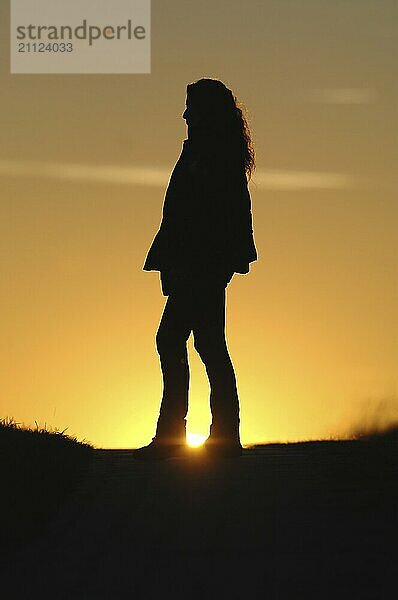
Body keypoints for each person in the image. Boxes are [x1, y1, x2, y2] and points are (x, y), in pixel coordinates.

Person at [133, 78, 257, 460]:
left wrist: (203, 266)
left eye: (192, 108)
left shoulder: (215, 157)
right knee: (206, 344)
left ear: (207, 113)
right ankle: (220, 436)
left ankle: (178, 436)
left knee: (174, 340)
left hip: (201, 267)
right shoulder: (203, 153)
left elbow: (218, 218)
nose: (185, 115)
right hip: (195, 266)